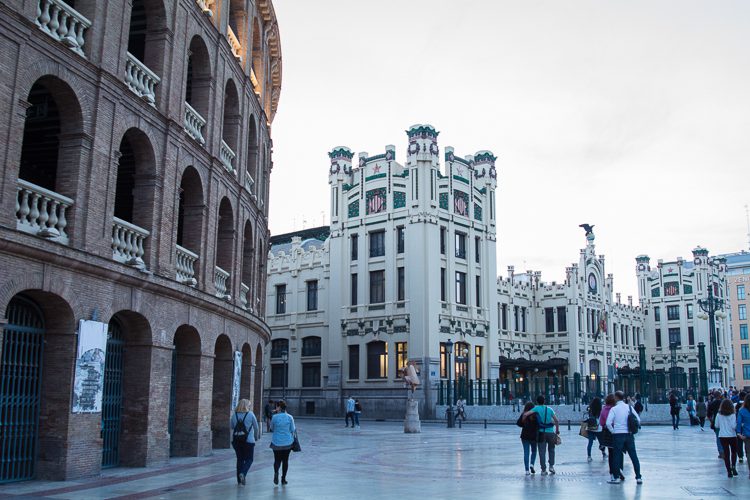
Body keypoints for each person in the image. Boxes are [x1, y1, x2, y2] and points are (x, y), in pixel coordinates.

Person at [606, 390, 642, 485]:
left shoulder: (614, 409)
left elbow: (608, 423)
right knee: (633, 456)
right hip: (629, 434)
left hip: (618, 434)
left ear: (616, 398)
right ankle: (638, 477)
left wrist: (613, 431)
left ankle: (616, 477)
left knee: (616, 456)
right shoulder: (629, 407)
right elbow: (638, 419)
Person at [524, 395, 560, 475]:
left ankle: (543, 470)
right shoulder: (550, 409)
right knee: (551, 450)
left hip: (541, 433)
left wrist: (527, 420)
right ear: (544, 401)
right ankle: (551, 466)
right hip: (551, 433)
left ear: (537, 402)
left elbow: (526, 414)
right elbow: (556, 421)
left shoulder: (536, 408)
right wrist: (557, 431)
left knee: (542, 452)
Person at [231, 399, 260, 486]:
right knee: (249, 459)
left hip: (237, 441)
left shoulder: (234, 415)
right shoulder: (250, 414)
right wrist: (255, 437)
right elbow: (256, 427)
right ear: (247, 406)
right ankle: (243, 473)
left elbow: (232, 426)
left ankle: (239, 481)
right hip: (249, 441)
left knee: (239, 459)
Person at [270, 400, 296, 485]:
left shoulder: (274, 417)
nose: (275, 408)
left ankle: (276, 473)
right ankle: (283, 479)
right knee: (285, 460)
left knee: (277, 459)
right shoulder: (290, 417)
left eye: (276, 406)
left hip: (276, 442)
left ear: (279, 407)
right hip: (287, 443)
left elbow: (272, 428)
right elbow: (293, 429)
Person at [599, 394, 621, 481]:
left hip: (607, 432)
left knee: (611, 453)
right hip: (617, 430)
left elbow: (601, 422)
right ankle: (619, 469)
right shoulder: (616, 409)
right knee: (619, 452)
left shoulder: (604, 409)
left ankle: (612, 473)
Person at [715, 399, 739, 477]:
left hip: (722, 436)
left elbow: (716, 425)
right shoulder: (733, 414)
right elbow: (733, 426)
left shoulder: (719, 414)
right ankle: (734, 467)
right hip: (732, 435)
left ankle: (729, 471)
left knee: (726, 453)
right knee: (734, 452)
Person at [517, 402, 538, 475]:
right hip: (534, 436)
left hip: (525, 436)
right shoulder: (535, 414)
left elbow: (518, 423)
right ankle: (532, 464)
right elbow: (539, 424)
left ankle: (526, 470)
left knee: (526, 452)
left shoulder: (524, 414)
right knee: (534, 451)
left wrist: (524, 423)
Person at [585, 397, 606, 462]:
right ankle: (603, 453)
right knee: (602, 442)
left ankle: (589, 456)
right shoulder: (601, 409)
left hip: (590, 428)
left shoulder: (590, 409)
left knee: (590, 442)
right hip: (599, 428)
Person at [708, 390, 725, 458]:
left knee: (718, 437)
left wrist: (711, 421)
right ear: (720, 395)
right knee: (724, 436)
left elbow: (709, 414)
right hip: (724, 422)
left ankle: (721, 452)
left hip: (716, 421)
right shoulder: (723, 403)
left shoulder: (712, 403)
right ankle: (725, 450)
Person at [737, 394, 750, 478]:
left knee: (749, 453)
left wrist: (738, 433)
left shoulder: (742, 410)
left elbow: (738, 423)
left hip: (747, 435)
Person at [735, 392, 746, 463]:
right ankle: (748, 454)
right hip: (747, 426)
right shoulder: (747, 405)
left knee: (739, 442)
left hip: (739, 426)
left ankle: (740, 456)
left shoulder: (736, 405)